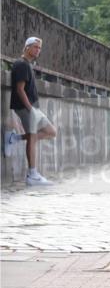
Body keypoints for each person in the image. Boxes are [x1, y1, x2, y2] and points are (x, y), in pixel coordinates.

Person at [4, 37, 57, 185]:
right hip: (25, 107)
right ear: (27, 47)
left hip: (32, 108)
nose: (38, 50)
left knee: (51, 131)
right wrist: (30, 109)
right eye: (35, 47)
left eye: (39, 48)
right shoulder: (21, 64)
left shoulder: (27, 64)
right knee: (33, 137)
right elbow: (20, 90)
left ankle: (14, 138)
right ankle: (32, 175)